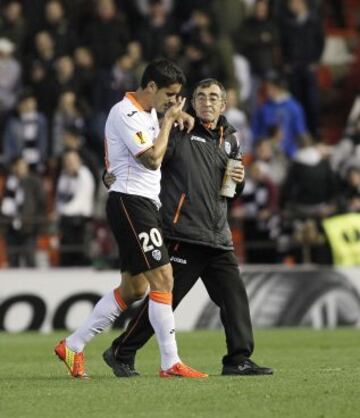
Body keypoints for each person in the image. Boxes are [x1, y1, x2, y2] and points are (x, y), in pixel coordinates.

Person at [103, 79, 273, 377]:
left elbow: (231, 189)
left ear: (224, 104)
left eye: (213, 97)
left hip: (218, 236)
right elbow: (146, 159)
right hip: (183, 233)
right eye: (201, 97)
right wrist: (110, 173)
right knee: (165, 300)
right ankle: (121, 350)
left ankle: (238, 360)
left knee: (235, 299)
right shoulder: (179, 131)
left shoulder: (231, 139)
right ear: (193, 102)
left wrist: (241, 178)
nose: (207, 102)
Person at [54, 59, 207, 379]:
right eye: (170, 94)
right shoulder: (125, 112)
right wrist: (167, 122)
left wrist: (171, 115)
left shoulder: (149, 111)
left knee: (134, 288)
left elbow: (117, 160)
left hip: (142, 203)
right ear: (151, 86)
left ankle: (73, 345)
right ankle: (170, 363)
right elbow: (151, 160)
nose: (172, 101)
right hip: (130, 202)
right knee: (164, 278)